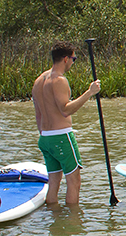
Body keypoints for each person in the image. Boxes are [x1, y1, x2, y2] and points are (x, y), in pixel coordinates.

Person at [31, 41, 101, 206]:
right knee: (74, 181)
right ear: (65, 59)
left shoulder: (39, 80)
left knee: (54, 182)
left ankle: (55, 219)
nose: (72, 62)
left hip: (45, 138)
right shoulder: (59, 80)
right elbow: (65, 110)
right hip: (61, 136)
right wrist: (89, 93)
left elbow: (38, 115)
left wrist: (45, 134)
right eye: (73, 59)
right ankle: (73, 222)